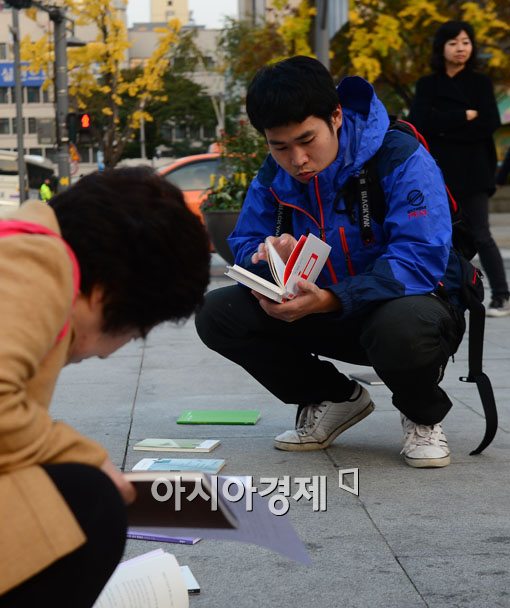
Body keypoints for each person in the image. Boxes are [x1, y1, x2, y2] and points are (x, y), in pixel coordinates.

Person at [195, 56, 467, 470]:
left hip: (401, 309)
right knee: (218, 313)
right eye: (279, 146)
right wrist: (268, 256)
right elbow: (245, 241)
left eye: (307, 140)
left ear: (336, 116)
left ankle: (422, 414)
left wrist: (332, 298)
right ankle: (335, 398)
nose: (297, 159)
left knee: (402, 327)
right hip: (317, 309)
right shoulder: (274, 175)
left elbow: (419, 258)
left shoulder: (398, 156)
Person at [0, 167, 210, 606]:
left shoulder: (21, 245)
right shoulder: (37, 264)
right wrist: (87, 458)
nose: (108, 354)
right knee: (88, 501)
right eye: (133, 331)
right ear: (106, 293)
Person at [409, 20, 509, 317]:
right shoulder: (428, 84)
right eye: (453, 43)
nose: (460, 48)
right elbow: (419, 123)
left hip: (475, 171)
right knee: (443, 235)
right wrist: (462, 116)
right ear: (441, 48)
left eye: (466, 42)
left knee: (480, 234)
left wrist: (442, 125)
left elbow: (488, 124)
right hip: (439, 172)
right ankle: (449, 293)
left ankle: (501, 296)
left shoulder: (480, 83)